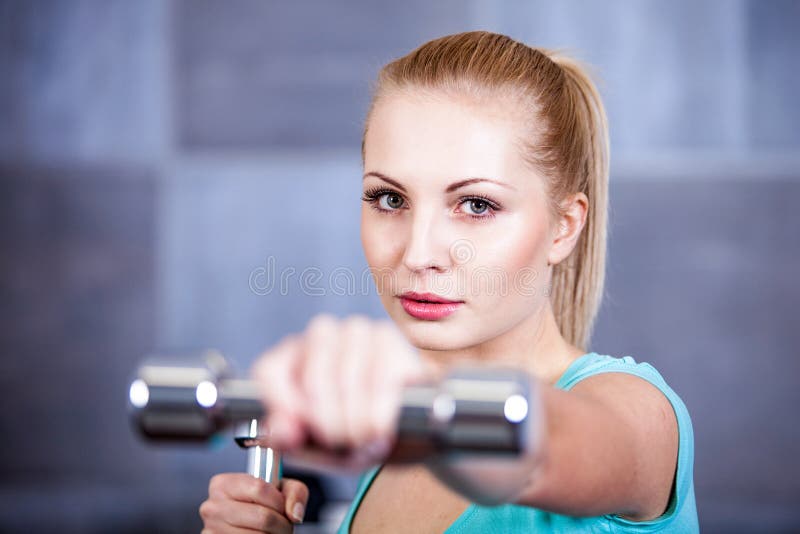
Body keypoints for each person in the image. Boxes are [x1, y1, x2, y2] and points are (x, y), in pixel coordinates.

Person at [199, 31, 699, 533]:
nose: (418, 255)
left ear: (564, 227)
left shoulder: (642, 419)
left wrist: (396, 399)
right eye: (390, 199)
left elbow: (542, 450)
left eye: (477, 205)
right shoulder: (391, 457)